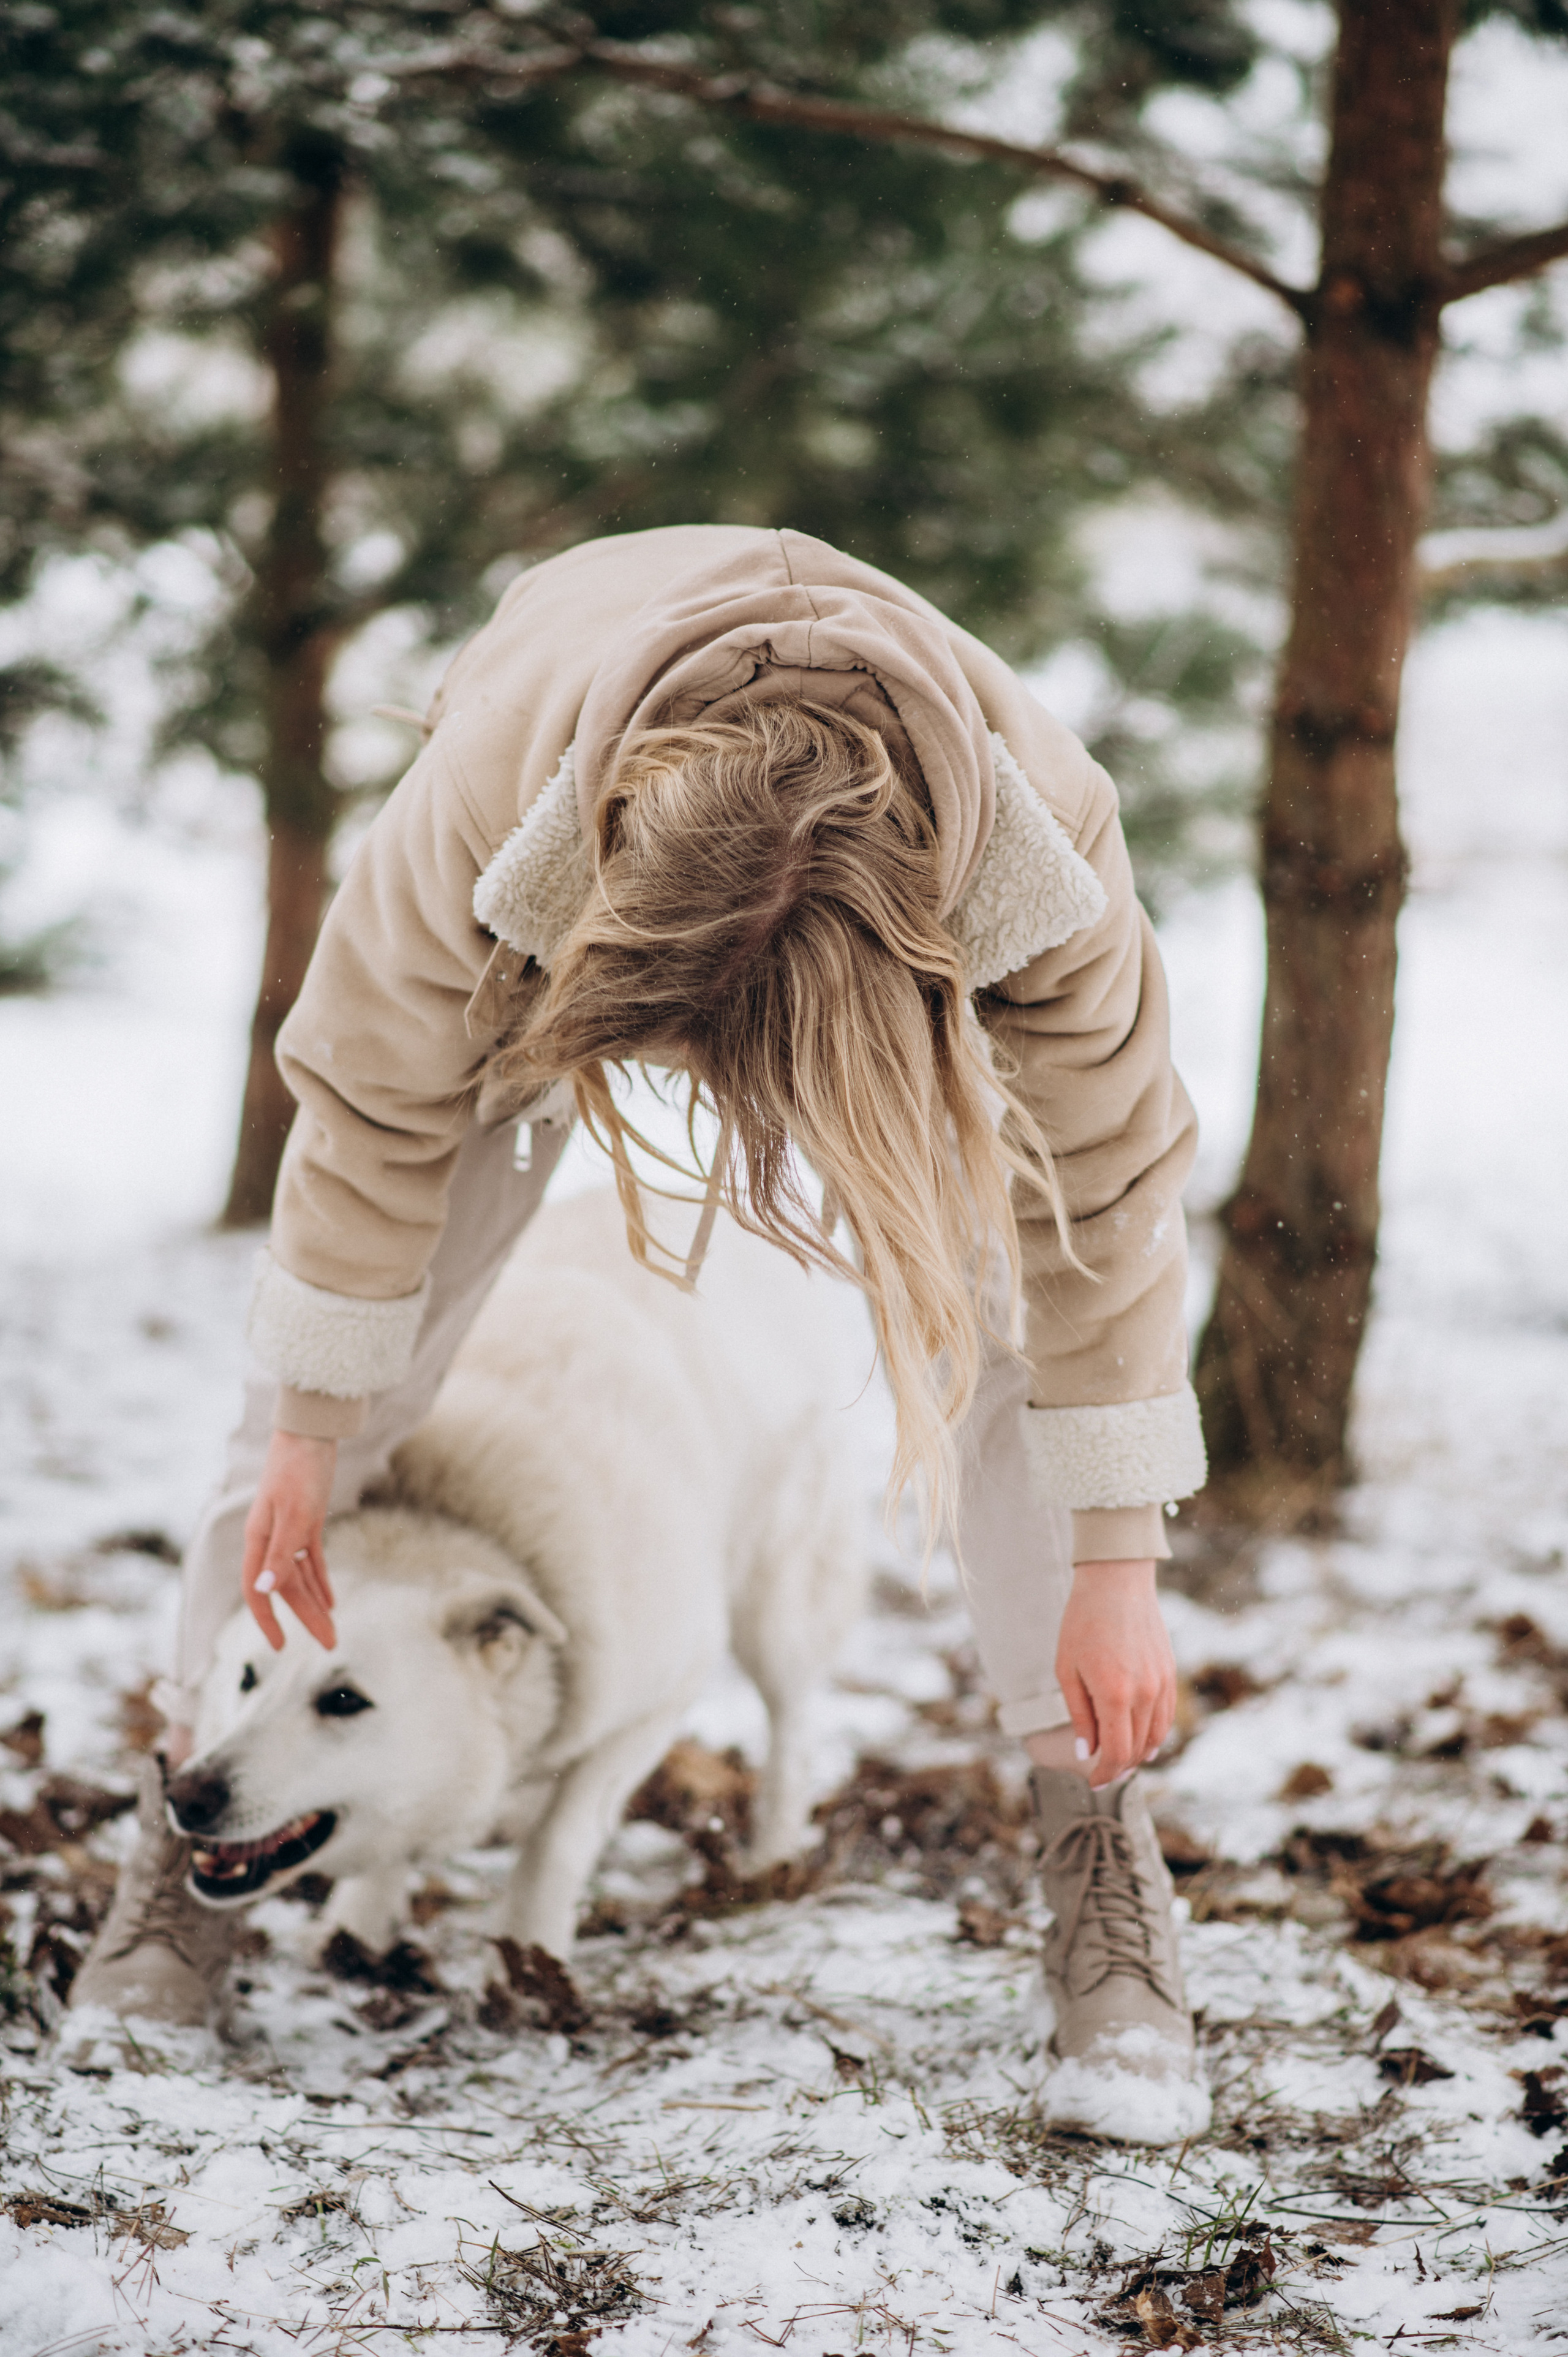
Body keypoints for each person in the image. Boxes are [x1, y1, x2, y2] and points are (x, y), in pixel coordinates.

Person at [72, 526, 1208, 2142]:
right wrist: (315, 1440)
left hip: (924, 1003)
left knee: (1023, 1319)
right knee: (302, 1398)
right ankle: (176, 1879)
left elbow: (1105, 1214)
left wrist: (1115, 1567)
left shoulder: (1045, 875)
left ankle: (1102, 1871)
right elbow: (373, 1119)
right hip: (539, 926)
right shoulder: (488, 806)